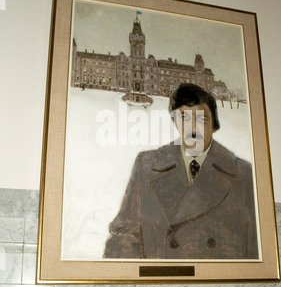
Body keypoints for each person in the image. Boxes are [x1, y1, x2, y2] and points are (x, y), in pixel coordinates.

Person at [104, 83, 259, 259]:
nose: (193, 129)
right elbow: (125, 235)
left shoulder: (243, 174)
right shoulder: (147, 166)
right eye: (184, 118)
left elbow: (255, 245)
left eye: (201, 119)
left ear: (214, 124)